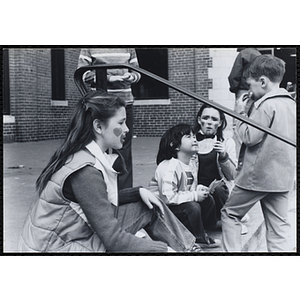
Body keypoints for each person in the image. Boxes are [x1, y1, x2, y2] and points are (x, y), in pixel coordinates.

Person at [18, 91, 202, 253]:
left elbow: (95, 201)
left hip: (61, 236)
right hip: (56, 247)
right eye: (121, 123)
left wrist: (137, 191)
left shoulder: (83, 154)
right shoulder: (86, 172)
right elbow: (114, 241)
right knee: (142, 241)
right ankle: (186, 251)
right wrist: (163, 250)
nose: (127, 129)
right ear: (98, 127)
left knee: (148, 205)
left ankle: (188, 248)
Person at [221, 54, 296, 252]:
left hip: (258, 176)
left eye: (250, 85)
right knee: (278, 228)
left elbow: (249, 137)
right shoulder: (291, 104)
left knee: (230, 214)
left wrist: (240, 112)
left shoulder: (265, 105)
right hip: (282, 178)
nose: (249, 91)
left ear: (262, 81)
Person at [148, 124, 221, 249]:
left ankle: (203, 230)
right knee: (192, 206)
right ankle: (197, 237)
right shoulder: (170, 166)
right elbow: (167, 198)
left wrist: (198, 190)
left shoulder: (189, 164)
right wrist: (194, 196)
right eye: (188, 137)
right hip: (160, 214)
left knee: (207, 200)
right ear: (175, 145)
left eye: (194, 136)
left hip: (174, 209)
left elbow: (185, 190)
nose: (194, 139)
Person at [78, 48, 141, 190]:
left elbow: (137, 73)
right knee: (98, 147)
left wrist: (131, 77)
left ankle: (124, 194)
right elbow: (82, 74)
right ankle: (101, 191)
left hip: (124, 104)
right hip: (101, 105)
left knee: (124, 149)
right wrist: (107, 79)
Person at [194, 104, 242, 230]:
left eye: (214, 119)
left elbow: (232, 176)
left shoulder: (227, 141)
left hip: (219, 192)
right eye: (206, 118)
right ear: (199, 120)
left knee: (220, 188)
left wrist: (223, 155)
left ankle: (229, 220)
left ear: (220, 123)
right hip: (196, 190)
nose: (209, 122)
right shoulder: (190, 140)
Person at [228, 48, 261, 154]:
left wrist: (235, 89)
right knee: (251, 123)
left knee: (238, 123)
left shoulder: (244, 53)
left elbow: (234, 75)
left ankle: (238, 155)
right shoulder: (259, 55)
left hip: (243, 90)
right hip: (257, 92)